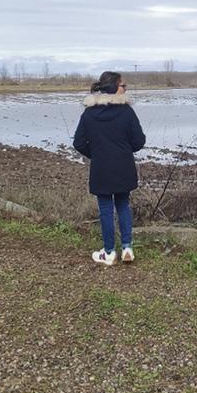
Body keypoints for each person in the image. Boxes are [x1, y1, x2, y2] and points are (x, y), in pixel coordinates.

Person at [73, 70, 146, 265]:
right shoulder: (126, 112)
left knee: (105, 209)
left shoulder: (89, 113)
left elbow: (78, 143)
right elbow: (139, 141)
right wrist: (124, 150)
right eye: (123, 86)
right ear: (115, 88)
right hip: (124, 167)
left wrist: (96, 154)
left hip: (101, 168)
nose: (125, 89)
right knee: (123, 205)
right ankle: (127, 248)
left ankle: (109, 252)